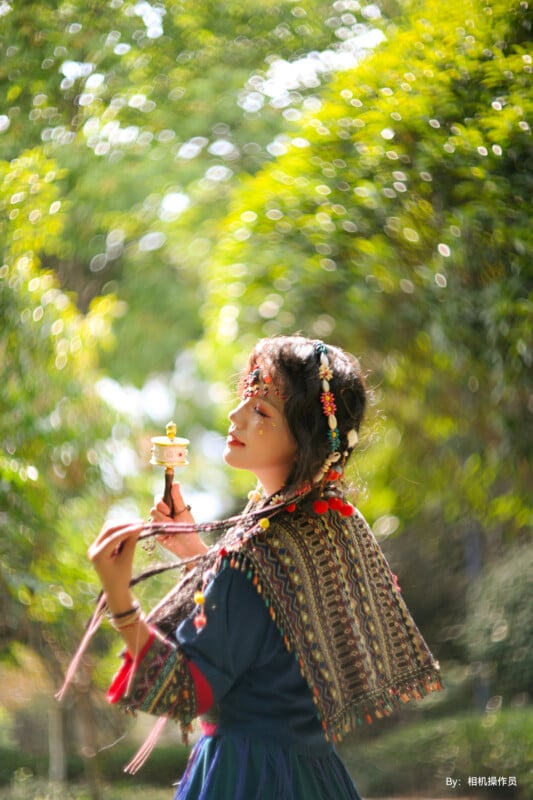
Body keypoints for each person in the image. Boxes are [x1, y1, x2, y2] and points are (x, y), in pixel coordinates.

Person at [74, 335, 441, 799]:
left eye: (261, 411)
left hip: (245, 776)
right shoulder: (336, 522)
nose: (235, 416)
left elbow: (187, 692)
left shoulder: (256, 550)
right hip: (317, 777)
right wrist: (195, 552)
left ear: (305, 438)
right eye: (244, 400)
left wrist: (120, 598)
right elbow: (274, 621)